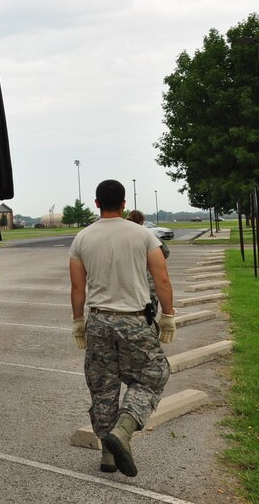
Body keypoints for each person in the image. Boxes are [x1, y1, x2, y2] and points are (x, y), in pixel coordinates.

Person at [69, 180, 176, 477]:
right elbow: (162, 279)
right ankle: (125, 428)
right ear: (125, 204)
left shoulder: (82, 238)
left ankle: (108, 454)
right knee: (153, 374)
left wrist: (79, 322)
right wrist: (168, 315)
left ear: (96, 203)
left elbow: (78, 287)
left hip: (100, 321)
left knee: (104, 387)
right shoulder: (143, 235)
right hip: (134, 319)